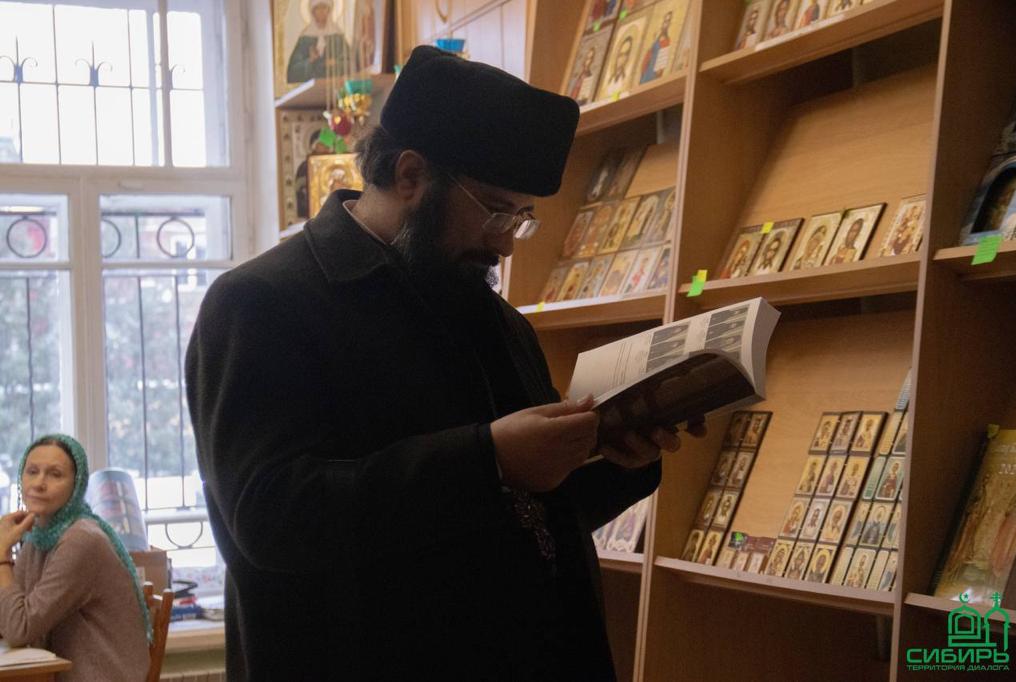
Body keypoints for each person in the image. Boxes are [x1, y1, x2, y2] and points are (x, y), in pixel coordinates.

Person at [187, 46, 699, 680]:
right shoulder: (260, 303)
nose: (506, 242)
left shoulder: (492, 316)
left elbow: (531, 519)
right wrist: (488, 459)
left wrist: (619, 460)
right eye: (496, 211)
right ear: (410, 175)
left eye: (522, 218)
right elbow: (270, 518)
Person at [0, 435, 150, 681]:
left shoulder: (82, 540)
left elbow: (20, 629)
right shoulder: (39, 533)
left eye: (55, 474)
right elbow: (9, 615)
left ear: (76, 486)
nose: (39, 483)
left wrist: (2, 555)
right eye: (32, 471)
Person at [287, 0, 351, 83]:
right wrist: (310, 60)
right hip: (312, 88)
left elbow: (350, 63)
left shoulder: (338, 36)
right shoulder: (305, 38)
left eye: (324, 7)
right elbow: (292, 71)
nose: (321, 11)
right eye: (317, 8)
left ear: (329, 10)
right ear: (312, 12)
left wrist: (335, 63)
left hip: (335, 84)